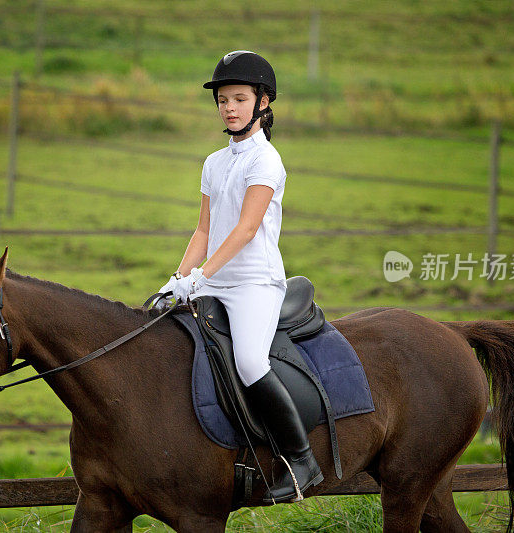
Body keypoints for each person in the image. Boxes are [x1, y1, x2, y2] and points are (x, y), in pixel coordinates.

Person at [156, 50, 323, 503]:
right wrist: (179, 277)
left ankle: (302, 459)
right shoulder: (214, 162)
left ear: (263, 102)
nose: (229, 107)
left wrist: (200, 276)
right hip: (211, 281)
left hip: (253, 283)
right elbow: (205, 229)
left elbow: (246, 230)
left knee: (250, 361)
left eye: (239, 98)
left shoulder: (266, 161)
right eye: (223, 100)